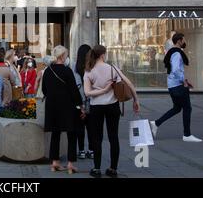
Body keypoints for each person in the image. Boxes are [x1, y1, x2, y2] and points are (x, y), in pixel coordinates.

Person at [84, 45, 140, 178]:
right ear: (103, 55)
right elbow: (129, 83)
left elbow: (87, 93)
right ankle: (113, 169)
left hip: (96, 107)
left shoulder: (89, 71)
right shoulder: (112, 68)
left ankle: (96, 169)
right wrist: (136, 100)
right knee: (113, 137)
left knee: (97, 138)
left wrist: (101, 91)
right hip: (112, 106)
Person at [150, 33, 202, 142]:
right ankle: (187, 135)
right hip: (178, 86)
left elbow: (174, 70)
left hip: (173, 85)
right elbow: (176, 70)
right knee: (187, 108)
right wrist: (184, 81)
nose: (185, 42)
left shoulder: (172, 52)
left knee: (177, 108)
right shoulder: (177, 53)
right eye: (184, 40)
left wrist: (185, 80)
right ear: (179, 41)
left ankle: (156, 123)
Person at [43, 45, 83, 174]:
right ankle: (70, 164)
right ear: (62, 56)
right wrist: (80, 105)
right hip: (67, 107)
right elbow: (74, 91)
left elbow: (44, 90)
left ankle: (54, 163)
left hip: (52, 107)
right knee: (72, 134)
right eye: (65, 54)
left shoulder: (48, 71)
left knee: (55, 134)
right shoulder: (67, 71)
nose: (66, 57)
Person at [72, 44, 95, 160]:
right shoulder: (92, 68)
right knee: (90, 128)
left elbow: (73, 88)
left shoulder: (74, 69)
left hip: (78, 103)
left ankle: (81, 150)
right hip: (90, 102)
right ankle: (91, 150)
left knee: (80, 128)